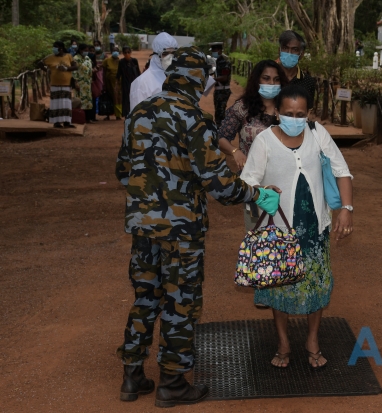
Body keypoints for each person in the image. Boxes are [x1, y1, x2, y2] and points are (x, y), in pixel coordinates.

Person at [115, 46, 280, 408]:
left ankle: (132, 375)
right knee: (181, 301)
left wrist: (150, 194)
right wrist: (256, 194)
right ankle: (172, 383)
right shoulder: (194, 120)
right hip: (181, 231)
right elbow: (218, 184)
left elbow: (123, 170)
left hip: (143, 227)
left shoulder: (139, 113)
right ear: (197, 81)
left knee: (145, 296)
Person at [241, 84, 354, 369]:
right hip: (279, 230)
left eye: (300, 114)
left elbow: (341, 170)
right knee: (280, 287)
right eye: (289, 113)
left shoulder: (318, 134)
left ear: (309, 113)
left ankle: (312, 340)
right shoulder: (264, 141)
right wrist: (262, 191)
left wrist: (346, 209)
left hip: (315, 229)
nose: (295, 119)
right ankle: (283, 342)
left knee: (316, 284)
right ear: (277, 113)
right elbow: (247, 182)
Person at [218, 59, 289, 231]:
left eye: (276, 79)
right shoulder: (243, 108)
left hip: (286, 181)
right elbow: (220, 137)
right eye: (266, 78)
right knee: (257, 233)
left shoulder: (288, 108)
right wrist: (235, 151)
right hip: (254, 187)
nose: (271, 83)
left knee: (288, 232)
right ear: (257, 80)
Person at [129, 32, 178, 112]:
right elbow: (137, 116)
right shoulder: (142, 83)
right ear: (156, 55)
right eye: (165, 53)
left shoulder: (178, 78)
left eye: (173, 53)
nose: (170, 57)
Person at [39, 41, 78, 128]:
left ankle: (67, 122)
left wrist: (66, 68)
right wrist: (47, 70)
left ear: (61, 48)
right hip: (55, 84)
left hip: (66, 84)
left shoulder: (69, 56)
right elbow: (40, 63)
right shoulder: (50, 57)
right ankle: (57, 122)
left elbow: (75, 66)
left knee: (66, 103)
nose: (54, 49)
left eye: (56, 47)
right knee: (56, 103)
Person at [277, 30, 316, 100]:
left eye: (294, 49)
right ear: (279, 51)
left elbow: (308, 106)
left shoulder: (308, 82)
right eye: (285, 48)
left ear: (301, 54)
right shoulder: (270, 77)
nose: (289, 53)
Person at [207, 41, 231, 126]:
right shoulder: (216, 61)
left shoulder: (225, 62)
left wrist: (212, 80)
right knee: (218, 111)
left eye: (215, 50)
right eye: (212, 51)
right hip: (218, 90)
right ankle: (218, 127)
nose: (213, 52)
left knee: (220, 112)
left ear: (220, 50)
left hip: (223, 91)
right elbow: (212, 72)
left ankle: (221, 129)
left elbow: (224, 78)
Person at [72, 44, 96, 123]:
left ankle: (88, 118)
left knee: (88, 101)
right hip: (80, 83)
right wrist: (75, 82)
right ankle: (80, 117)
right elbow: (74, 71)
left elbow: (90, 69)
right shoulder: (76, 58)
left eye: (87, 50)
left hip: (87, 83)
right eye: (85, 50)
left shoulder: (87, 58)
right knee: (80, 100)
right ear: (80, 50)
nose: (87, 52)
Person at [116, 46, 141, 116]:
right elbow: (118, 74)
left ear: (130, 52)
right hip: (125, 83)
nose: (127, 54)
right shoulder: (121, 62)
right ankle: (126, 114)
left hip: (134, 82)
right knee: (126, 99)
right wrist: (117, 85)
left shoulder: (134, 61)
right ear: (123, 53)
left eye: (128, 52)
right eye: (125, 52)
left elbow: (138, 72)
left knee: (134, 98)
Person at [102, 47, 122, 120]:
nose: (115, 52)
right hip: (109, 83)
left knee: (117, 99)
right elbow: (104, 72)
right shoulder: (107, 61)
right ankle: (108, 115)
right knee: (108, 98)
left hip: (118, 83)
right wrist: (104, 83)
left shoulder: (120, 62)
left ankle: (118, 115)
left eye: (116, 51)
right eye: (114, 51)